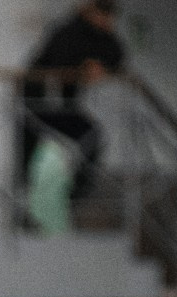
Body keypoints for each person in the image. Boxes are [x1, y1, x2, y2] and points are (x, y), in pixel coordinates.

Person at [22, 0, 126, 200]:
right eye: (103, 15)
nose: (106, 21)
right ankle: (28, 203)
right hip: (38, 101)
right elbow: (62, 61)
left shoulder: (101, 35)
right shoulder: (68, 31)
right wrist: (86, 65)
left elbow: (118, 54)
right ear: (91, 12)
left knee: (91, 137)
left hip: (62, 104)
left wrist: (99, 64)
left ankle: (76, 192)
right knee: (28, 158)